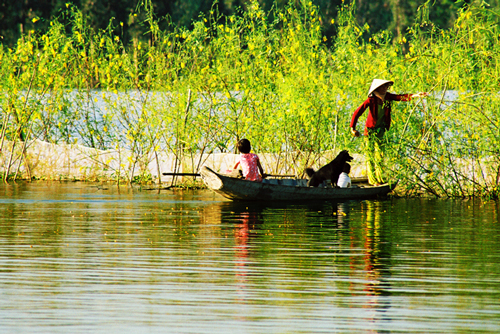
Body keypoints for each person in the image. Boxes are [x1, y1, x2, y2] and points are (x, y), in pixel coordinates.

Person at [350, 79, 428, 186]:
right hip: (370, 130)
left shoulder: (387, 97)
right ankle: (373, 181)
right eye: (382, 87)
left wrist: (416, 95)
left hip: (381, 129)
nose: (385, 89)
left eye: (386, 87)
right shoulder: (371, 100)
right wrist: (352, 128)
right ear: (377, 88)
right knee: (370, 155)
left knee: (380, 155)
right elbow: (357, 113)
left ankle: (380, 178)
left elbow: (400, 97)